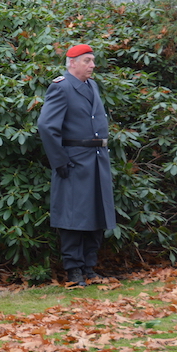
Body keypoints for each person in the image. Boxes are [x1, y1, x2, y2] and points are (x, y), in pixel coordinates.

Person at [37, 44, 116, 287]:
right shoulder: (61, 87)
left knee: (97, 215)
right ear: (72, 63)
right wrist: (60, 162)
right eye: (87, 61)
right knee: (72, 219)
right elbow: (46, 127)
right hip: (73, 162)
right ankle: (74, 272)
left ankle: (90, 269)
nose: (93, 65)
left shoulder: (92, 86)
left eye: (92, 60)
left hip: (97, 160)